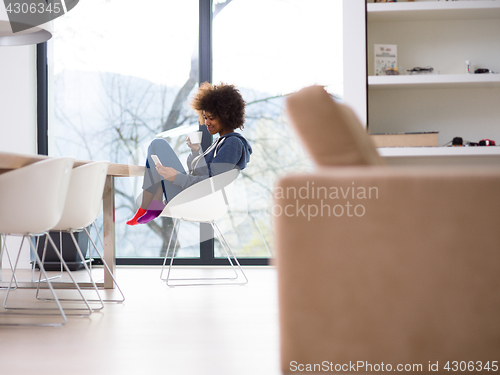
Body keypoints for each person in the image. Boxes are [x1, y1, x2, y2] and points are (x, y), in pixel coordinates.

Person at [126, 82, 252, 225]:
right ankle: (152, 206)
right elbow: (201, 172)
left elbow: (212, 184)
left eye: (211, 118)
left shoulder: (232, 144)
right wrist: (195, 150)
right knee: (156, 156)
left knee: (157, 145)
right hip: (192, 196)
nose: (206, 122)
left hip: (196, 200)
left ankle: (147, 207)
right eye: (205, 117)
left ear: (226, 115)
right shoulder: (221, 142)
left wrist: (177, 177)